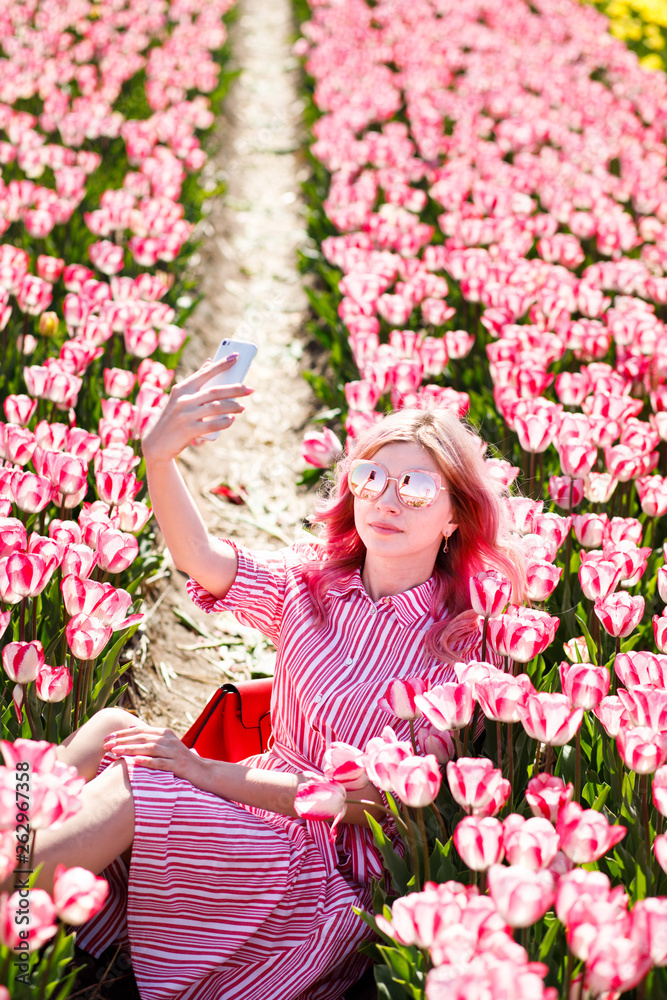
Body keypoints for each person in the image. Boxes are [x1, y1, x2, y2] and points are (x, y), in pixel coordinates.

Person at [36, 354, 523, 1000]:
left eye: (415, 488)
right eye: (371, 476)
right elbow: (202, 560)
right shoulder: (311, 587)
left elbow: (370, 802)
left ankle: (15, 907)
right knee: (110, 728)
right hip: (256, 810)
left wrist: (205, 772)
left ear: (455, 516)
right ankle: (23, 899)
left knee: (137, 786)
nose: (386, 498)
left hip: (322, 872)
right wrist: (159, 457)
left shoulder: (458, 645)